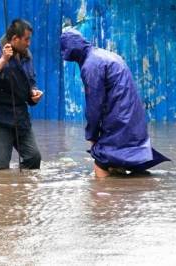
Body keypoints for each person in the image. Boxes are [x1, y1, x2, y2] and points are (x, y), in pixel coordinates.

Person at [60, 28, 170, 178]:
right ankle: (128, 191)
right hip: (134, 121)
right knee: (130, 160)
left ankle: (101, 195)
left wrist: (91, 136)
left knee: (101, 160)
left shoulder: (91, 65)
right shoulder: (105, 55)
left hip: (120, 120)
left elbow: (94, 105)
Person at [0, 19, 43, 170]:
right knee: (1, 169)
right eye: (26, 39)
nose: (29, 43)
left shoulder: (27, 55)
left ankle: (21, 190)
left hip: (20, 117)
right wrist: (3, 60)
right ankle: (2, 192)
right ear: (14, 39)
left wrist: (33, 93)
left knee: (33, 157)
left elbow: (30, 81)